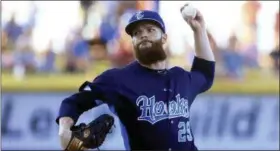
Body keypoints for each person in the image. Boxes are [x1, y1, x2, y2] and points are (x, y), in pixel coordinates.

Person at [56, 4, 215, 150]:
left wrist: (199, 30)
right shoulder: (119, 79)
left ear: (164, 38)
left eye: (150, 30)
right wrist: (65, 127)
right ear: (132, 42)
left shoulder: (180, 77)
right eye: (137, 33)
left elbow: (205, 73)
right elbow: (75, 101)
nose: (143, 35)